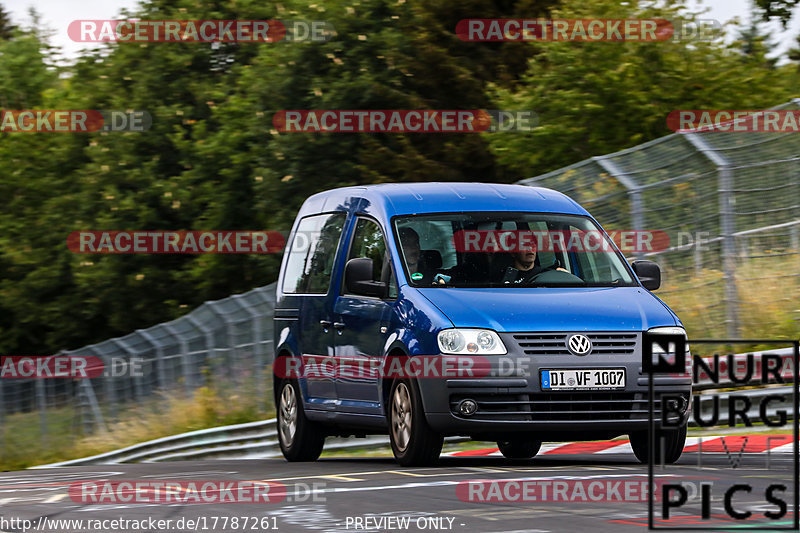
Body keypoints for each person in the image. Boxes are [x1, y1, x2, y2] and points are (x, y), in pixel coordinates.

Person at [501, 241, 567, 284]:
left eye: (533, 245)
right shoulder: (501, 277)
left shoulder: (547, 274)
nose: (530, 249)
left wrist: (564, 276)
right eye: (524, 245)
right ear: (513, 252)